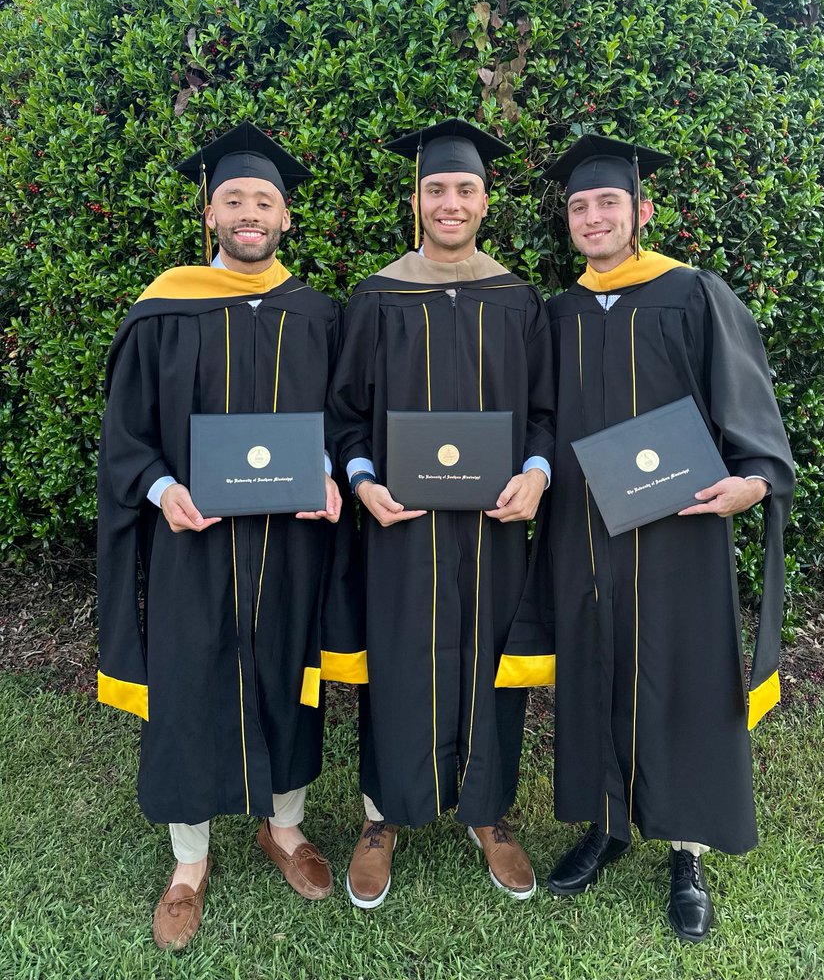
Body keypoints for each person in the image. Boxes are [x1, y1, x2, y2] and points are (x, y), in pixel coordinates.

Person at [96, 122, 360, 950]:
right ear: (209, 213)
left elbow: (338, 418)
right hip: (194, 542)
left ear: (286, 220)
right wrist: (163, 489)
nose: (250, 213)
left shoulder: (316, 313)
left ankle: (283, 828)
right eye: (235, 200)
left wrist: (325, 469)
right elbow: (125, 435)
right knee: (187, 688)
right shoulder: (163, 311)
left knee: (289, 672)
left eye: (266, 201)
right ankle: (188, 863)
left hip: (290, 542)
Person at [538, 133, 794, 941]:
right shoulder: (557, 314)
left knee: (682, 679)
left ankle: (686, 851)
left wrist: (751, 481)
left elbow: (746, 406)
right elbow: (541, 417)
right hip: (584, 527)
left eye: (608, 202)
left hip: (680, 531)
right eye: (580, 206)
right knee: (595, 671)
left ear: (641, 211)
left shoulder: (693, 293)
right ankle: (608, 824)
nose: (594, 217)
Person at [328, 119, 555, 908]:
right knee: (396, 657)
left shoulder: (517, 299)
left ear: (485, 201)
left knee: (491, 657)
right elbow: (345, 414)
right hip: (400, 524)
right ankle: (382, 817)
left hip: (493, 526)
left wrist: (536, 471)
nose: (449, 203)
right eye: (436, 190)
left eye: (464, 190)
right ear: (416, 198)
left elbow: (544, 411)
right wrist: (360, 480)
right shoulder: (377, 296)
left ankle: (488, 813)